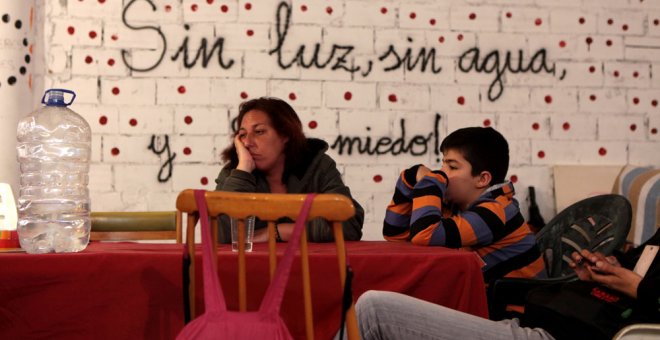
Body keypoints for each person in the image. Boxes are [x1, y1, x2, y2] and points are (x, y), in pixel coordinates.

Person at [356, 228, 660, 340]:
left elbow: (425, 233)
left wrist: (634, 286)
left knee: (374, 309)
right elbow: (638, 265)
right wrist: (606, 271)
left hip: (567, 332)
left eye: (451, 166)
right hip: (553, 318)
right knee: (367, 306)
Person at [383, 127, 545, 282]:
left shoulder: (495, 212)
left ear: (482, 179)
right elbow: (396, 236)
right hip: (479, 301)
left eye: (452, 166)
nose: (441, 173)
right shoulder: (457, 206)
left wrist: (431, 181)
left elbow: (425, 234)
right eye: (442, 164)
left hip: (510, 308)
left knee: (375, 302)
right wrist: (411, 177)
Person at [215, 97, 364, 242]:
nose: (247, 143)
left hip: (310, 266)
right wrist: (243, 171)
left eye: (259, 131)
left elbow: (348, 225)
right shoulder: (235, 174)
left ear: (285, 134)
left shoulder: (318, 166)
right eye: (242, 135)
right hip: (254, 267)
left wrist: (277, 231)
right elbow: (219, 235)